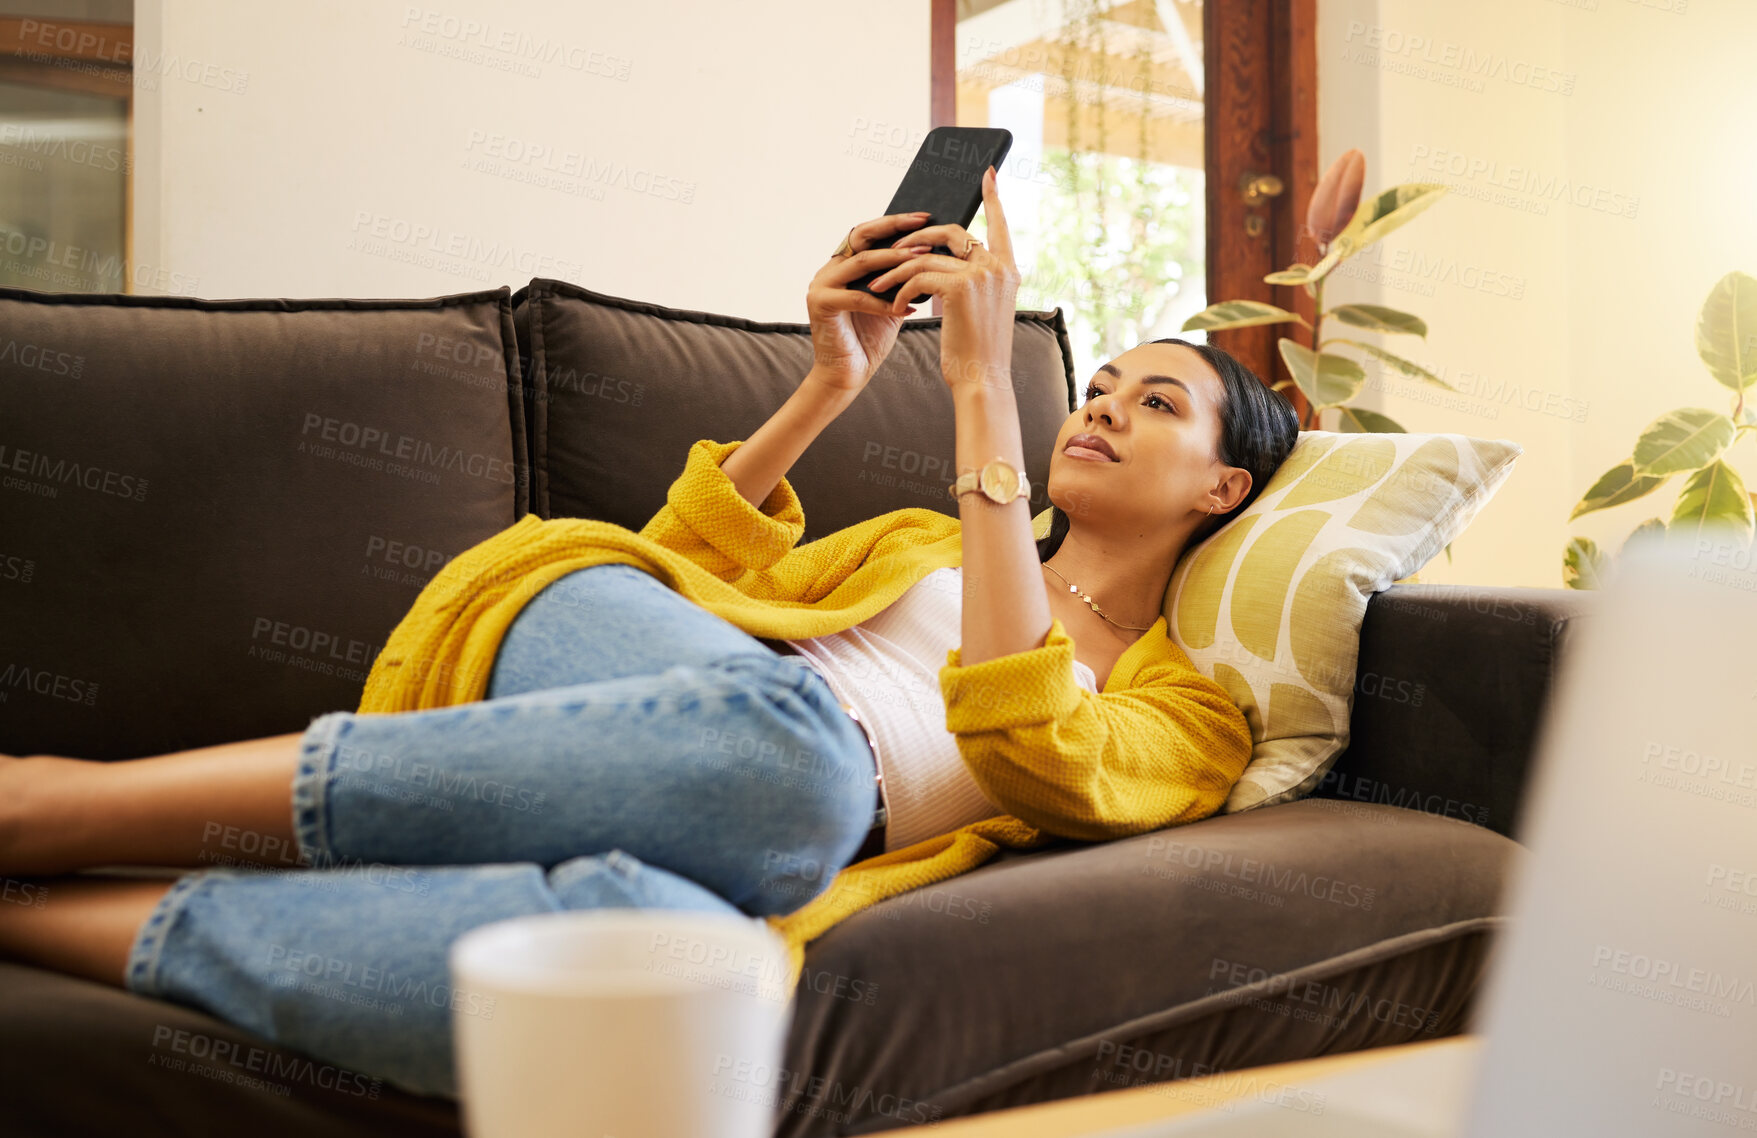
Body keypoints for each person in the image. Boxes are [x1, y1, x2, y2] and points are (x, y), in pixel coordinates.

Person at [0, 166, 1299, 1099]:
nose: (1105, 405)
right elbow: (672, 571)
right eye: (1104, 384)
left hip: (755, 811)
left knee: (660, 980)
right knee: (799, 758)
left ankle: (42, 910)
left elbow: (1037, 754)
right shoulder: (917, 543)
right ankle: (55, 802)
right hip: (607, 647)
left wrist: (977, 396)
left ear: (1220, 488)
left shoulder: (1190, 709)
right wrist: (831, 381)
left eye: (1158, 401)